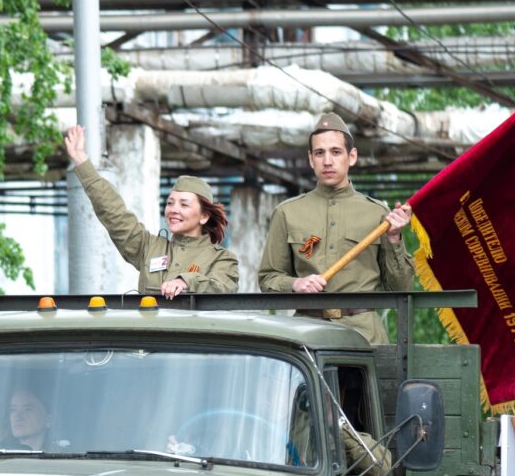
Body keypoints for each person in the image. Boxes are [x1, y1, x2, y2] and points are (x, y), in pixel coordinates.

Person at [257, 112, 415, 344]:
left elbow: (401, 288)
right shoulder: (287, 212)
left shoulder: (379, 214)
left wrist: (394, 237)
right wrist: (295, 284)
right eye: (319, 153)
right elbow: (268, 278)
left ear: (352, 157)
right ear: (311, 159)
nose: (327, 161)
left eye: (336, 152)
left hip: (365, 338)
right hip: (306, 335)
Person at [63, 126, 239, 298]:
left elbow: (222, 287)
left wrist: (187, 282)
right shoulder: (150, 248)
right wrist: (81, 162)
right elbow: (115, 214)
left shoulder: (222, 259)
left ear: (204, 216)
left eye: (184, 205)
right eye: (170, 203)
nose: (173, 210)